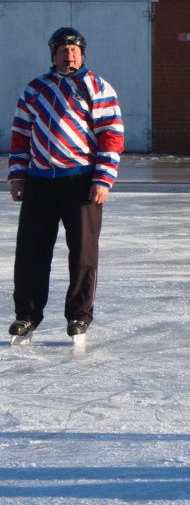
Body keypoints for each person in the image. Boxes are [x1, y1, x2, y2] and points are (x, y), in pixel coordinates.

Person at [8, 27, 124, 343]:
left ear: (82, 54)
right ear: (53, 54)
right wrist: (18, 174)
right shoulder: (35, 90)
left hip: (81, 183)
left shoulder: (97, 87)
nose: (68, 55)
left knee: (83, 253)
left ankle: (78, 317)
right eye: (63, 50)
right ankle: (26, 315)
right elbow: (21, 134)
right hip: (40, 183)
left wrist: (103, 179)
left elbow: (111, 136)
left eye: (74, 50)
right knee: (31, 251)